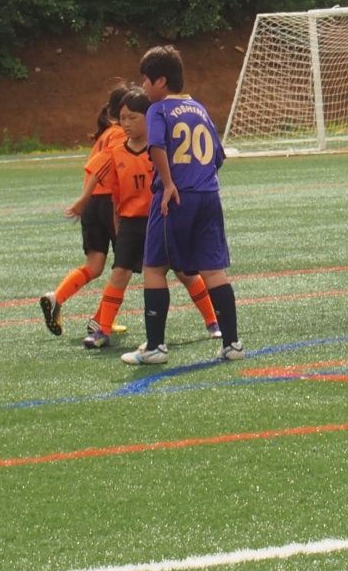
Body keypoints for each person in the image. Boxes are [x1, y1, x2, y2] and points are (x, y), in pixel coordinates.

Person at [121, 45, 243, 365]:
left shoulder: (158, 110)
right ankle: (232, 343)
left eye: (145, 79)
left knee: (154, 267)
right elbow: (218, 157)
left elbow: (157, 146)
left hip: (175, 197)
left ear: (161, 81)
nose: (143, 86)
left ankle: (155, 347)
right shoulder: (199, 108)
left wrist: (169, 183)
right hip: (208, 195)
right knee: (212, 270)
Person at [82, 89, 222, 349]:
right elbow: (114, 193)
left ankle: (213, 321)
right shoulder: (116, 151)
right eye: (122, 118)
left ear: (148, 118)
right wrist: (116, 222)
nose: (126, 123)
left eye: (132, 117)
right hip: (131, 223)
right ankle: (102, 329)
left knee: (184, 273)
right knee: (119, 273)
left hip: (160, 218)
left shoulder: (158, 150)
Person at [40, 84, 129, 336]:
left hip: (93, 206)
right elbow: (103, 165)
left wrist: (86, 199)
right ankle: (101, 320)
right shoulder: (121, 134)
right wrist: (85, 197)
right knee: (124, 266)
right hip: (110, 203)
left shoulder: (104, 134)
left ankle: (57, 297)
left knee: (94, 265)